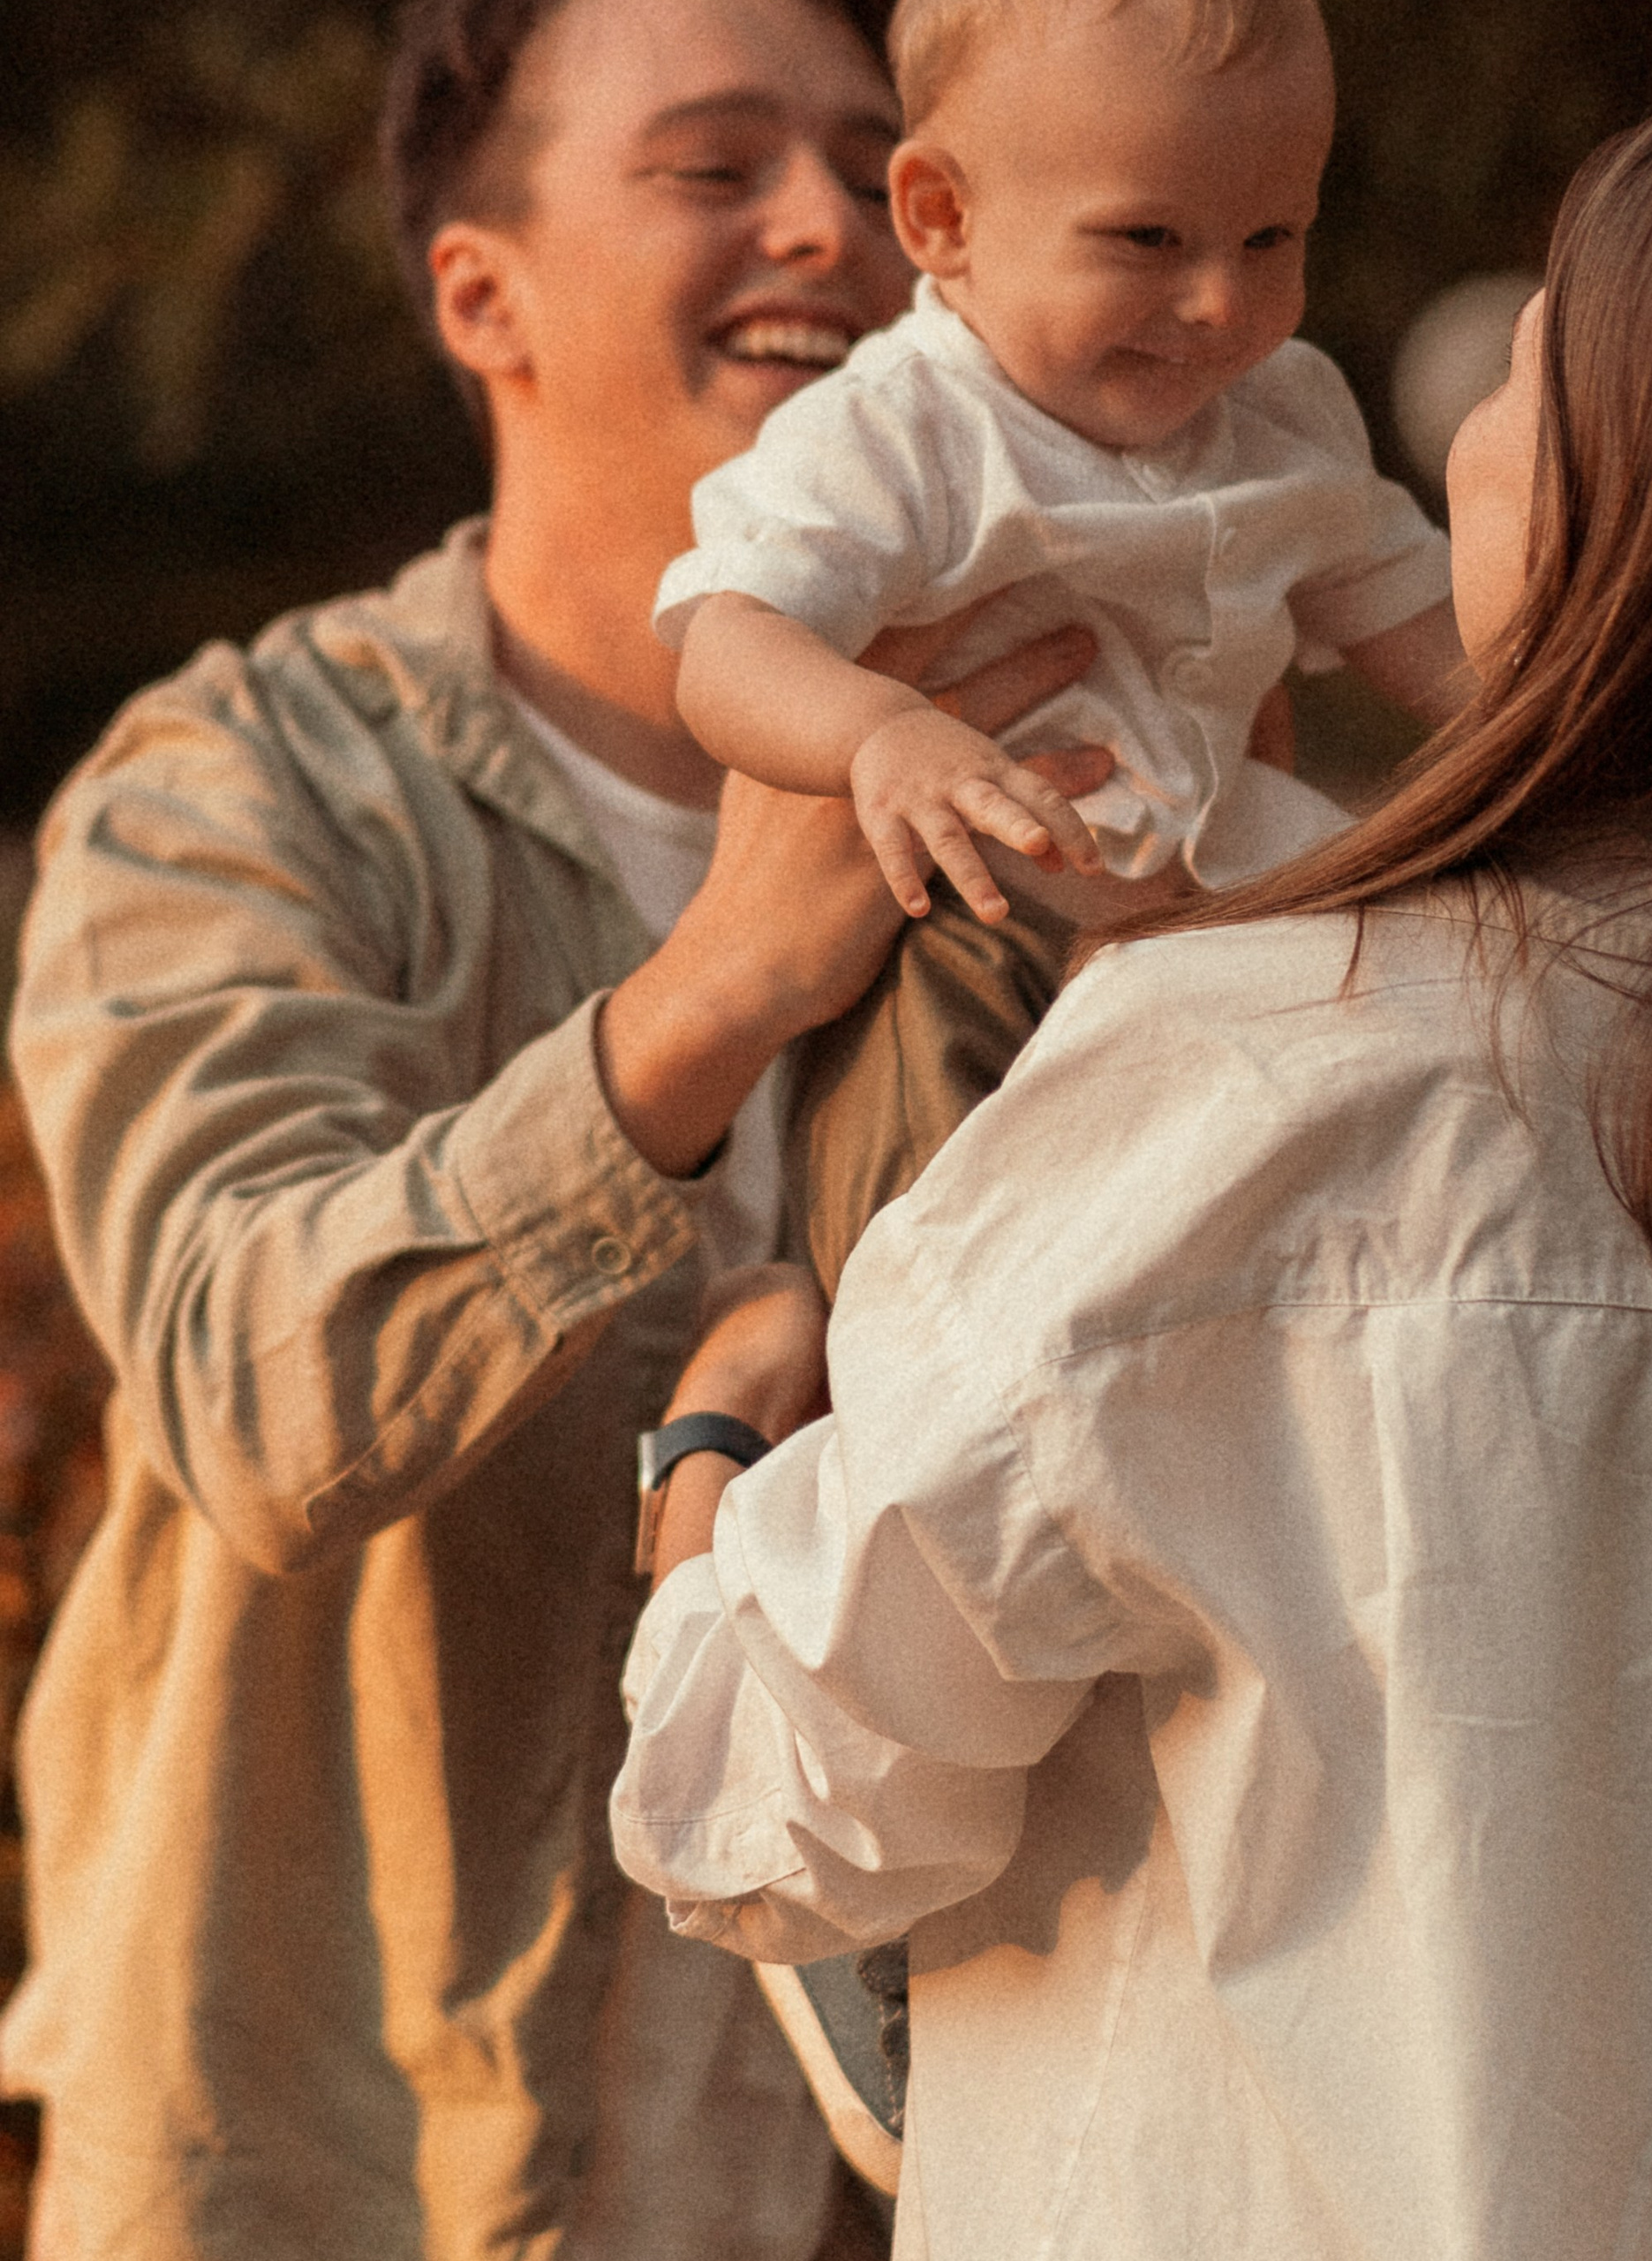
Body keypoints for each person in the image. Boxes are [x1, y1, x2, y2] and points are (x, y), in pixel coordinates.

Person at [611, 79, 1652, 2261]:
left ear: (1616, 513)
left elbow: (763, 1807)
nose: (1453, 420)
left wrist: (711, 1456)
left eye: (1529, 361)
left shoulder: (1254, 1088)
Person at [0, 0, 1108, 2253]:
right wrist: (718, 987)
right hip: (319, 2187)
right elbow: (243, 1381)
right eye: (715, 167)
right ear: (479, 293)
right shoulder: (240, 786)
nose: (829, 226)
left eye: (871, 169)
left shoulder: (1051, 807)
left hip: (871, 2185)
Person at [662, 0, 1461, 1291]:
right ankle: (868, 1361)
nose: (1219, 301)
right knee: (939, 1240)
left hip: (1229, 913)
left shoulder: (1285, 414)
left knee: (1402, 1080)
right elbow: (725, 641)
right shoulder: (899, 430)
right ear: (943, 218)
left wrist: (1590, 724)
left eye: (1272, 237)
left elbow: (1434, 634)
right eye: (1149, 239)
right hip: (977, 924)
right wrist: (881, 733)